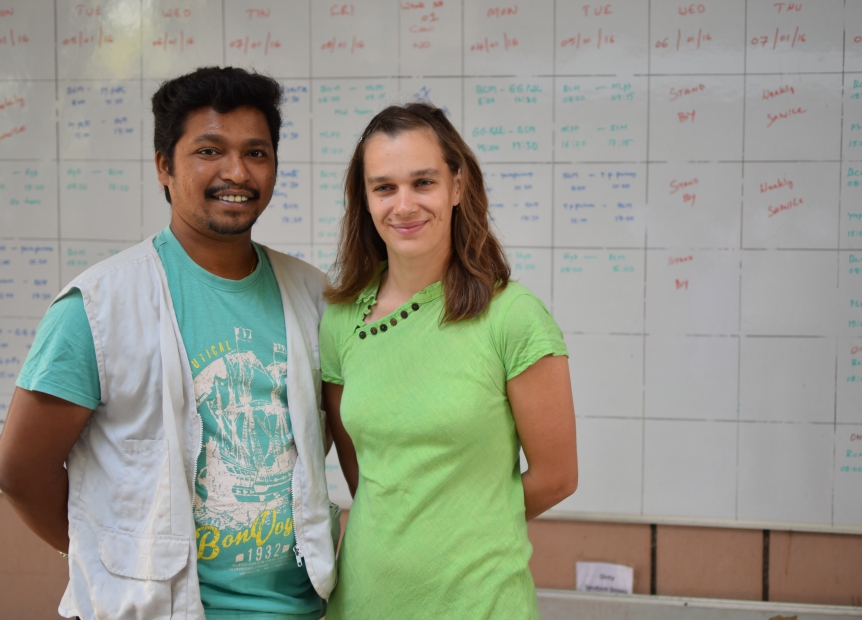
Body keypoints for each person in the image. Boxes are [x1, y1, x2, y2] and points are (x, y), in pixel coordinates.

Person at [0, 67, 338, 619]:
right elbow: (20, 470)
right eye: (209, 150)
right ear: (164, 165)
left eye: (256, 153)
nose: (236, 171)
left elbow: (304, 442)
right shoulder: (98, 305)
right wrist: (113, 556)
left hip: (299, 610)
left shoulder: (313, 294)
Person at [320, 102, 578, 619]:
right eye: (384, 187)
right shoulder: (341, 320)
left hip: (479, 604)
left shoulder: (514, 318)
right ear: (365, 199)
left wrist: (464, 523)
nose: (404, 204)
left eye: (423, 182)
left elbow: (557, 477)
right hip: (364, 603)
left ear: (457, 186)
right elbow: (365, 476)